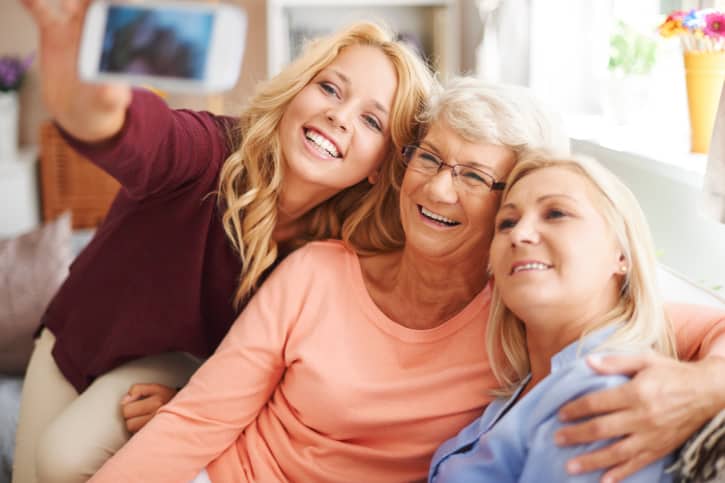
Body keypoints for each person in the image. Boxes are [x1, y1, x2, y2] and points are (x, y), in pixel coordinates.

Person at [88, 78, 725, 483]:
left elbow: (692, 326)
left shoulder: (530, 303)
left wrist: (700, 389)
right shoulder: (317, 272)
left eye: (475, 176)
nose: (438, 187)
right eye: (431, 157)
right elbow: (198, 422)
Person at [14, 1, 434, 482]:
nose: (339, 115)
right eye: (330, 88)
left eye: (372, 121)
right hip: (81, 336)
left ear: (382, 164)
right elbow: (130, 130)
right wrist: (88, 80)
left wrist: (194, 409)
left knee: (61, 459)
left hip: (185, 365)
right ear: (299, 89)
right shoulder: (209, 152)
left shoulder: (345, 253)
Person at [429, 154, 681, 482]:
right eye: (506, 222)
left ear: (621, 253)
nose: (519, 234)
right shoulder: (531, 384)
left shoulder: (607, 395)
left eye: (556, 213)